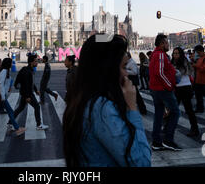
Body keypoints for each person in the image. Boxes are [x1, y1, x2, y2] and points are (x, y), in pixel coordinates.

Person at [62, 34, 151, 167]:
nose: (126, 74)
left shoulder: (81, 100)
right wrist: (132, 108)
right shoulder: (102, 109)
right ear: (107, 69)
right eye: (123, 67)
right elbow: (141, 163)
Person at [149, 35, 181, 151]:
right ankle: (168, 140)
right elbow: (160, 73)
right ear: (162, 44)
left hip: (155, 89)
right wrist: (169, 86)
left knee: (158, 115)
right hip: (162, 90)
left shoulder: (154, 54)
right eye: (167, 43)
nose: (168, 45)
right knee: (175, 112)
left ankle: (156, 142)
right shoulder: (161, 54)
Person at [0, 58, 26, 138]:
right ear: (8, 64)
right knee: (10, 111)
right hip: (1, 96)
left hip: (1, 95)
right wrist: (3, 97)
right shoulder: (4, 71)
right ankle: (17, 129)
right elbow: (1, 84)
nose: (12, 64)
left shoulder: (5, 71)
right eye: (11, 63)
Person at [11, 55, 49, 130]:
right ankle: (39, 125)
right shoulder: (27, 71)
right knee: (37, 107)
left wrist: (36, 90)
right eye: (36, 61)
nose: (37, 62)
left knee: (20, 108)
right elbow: (26, 85)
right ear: (31, 62)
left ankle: (10, 122)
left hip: (26, 93)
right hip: (27, 93)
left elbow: (31, 82)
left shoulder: (30, 70)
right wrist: (27, 96)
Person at [171, 47, 199, 137]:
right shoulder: (173, 62)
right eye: (174, 53)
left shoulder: (184, 61)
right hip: (177, 88)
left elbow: (183, 72)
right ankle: (168, 127)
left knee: (189, 109)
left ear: (181, 54)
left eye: (177, 53)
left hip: (185, 87)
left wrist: (173, 71)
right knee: (174, 109)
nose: (175, 55)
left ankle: (195, 129)